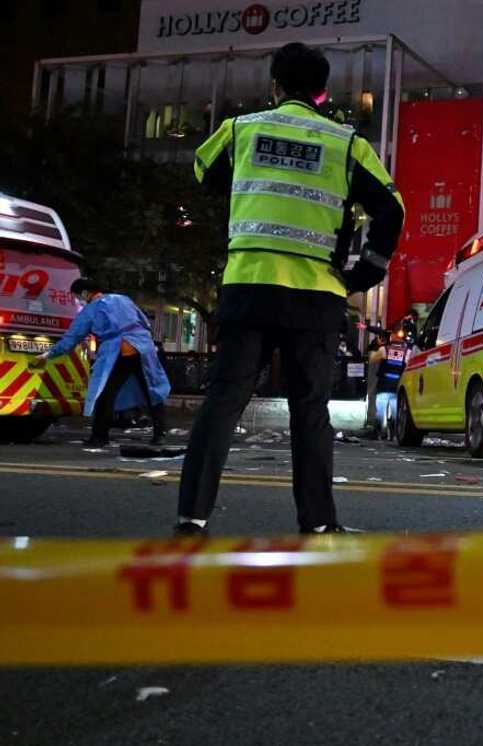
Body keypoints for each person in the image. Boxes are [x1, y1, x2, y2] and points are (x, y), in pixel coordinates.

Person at [177, 42, 405, 536]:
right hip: (316, 295)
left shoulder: (241, 130)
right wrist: (367, 271)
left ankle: (191, 517)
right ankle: (319, 523)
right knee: (309, 411)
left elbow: (202, 172)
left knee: (222, 403)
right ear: (323, 93)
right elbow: (392, 208)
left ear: (274, 86)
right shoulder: (347, 144)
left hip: (248, 286)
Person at [34, 279, 170, 447]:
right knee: (152, 392)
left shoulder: (89, 310)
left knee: (104, 394)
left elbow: (71, 338)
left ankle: (99, 437)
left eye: (78, 297)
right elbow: (144, 321)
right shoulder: (123, 299)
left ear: (85, 293)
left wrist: (48, 354)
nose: (79, 301)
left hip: (118, 351)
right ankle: (160, 434)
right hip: (143, 348)